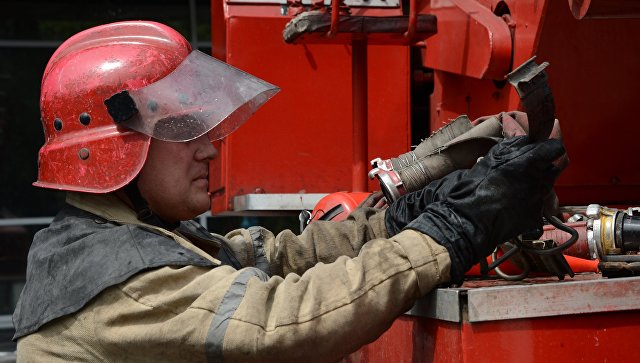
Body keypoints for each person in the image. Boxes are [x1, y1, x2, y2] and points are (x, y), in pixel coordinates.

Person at [13, 21, 565, 362]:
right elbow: (284, 321)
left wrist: (401, 219)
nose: (209, 149)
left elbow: (275, 258)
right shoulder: (123, 284)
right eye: (182, 131)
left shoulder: (128, 240)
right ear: (116, 151)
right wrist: (451, 229)